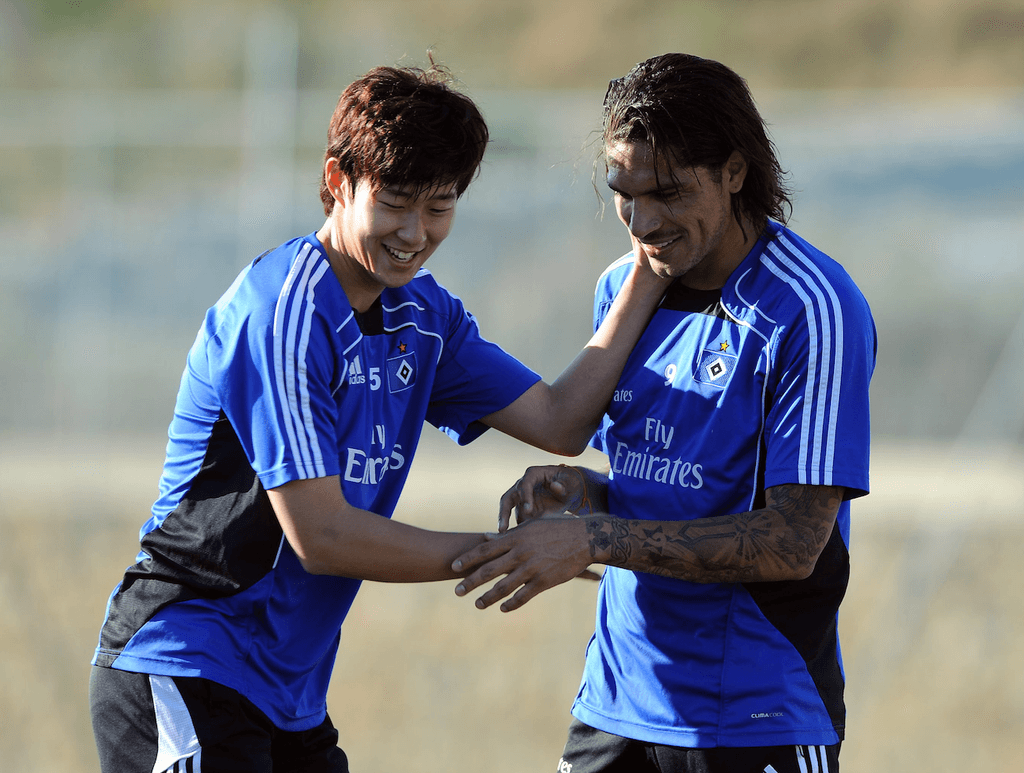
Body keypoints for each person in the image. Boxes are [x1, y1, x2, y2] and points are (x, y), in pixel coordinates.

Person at [89, 60, 668, 773]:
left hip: (287, 693)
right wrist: (504, 550)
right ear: (338, 181)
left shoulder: (423, 317)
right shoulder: (283, 311)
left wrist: (647, 269)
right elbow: (322, 535)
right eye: (396, 201)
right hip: (187, 659)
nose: (415, 232)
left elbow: (560, 420)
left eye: (440, 206)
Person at [452, 53, 877, 773]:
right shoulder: (623, 290)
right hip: (615, 706)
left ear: (736, 172)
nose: (644, 221)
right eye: (625, 193)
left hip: (756, 718)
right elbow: (676, 488)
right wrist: (586, 493)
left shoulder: (812, 306)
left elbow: (791, 541)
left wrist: (594, 538)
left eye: (670, 193)